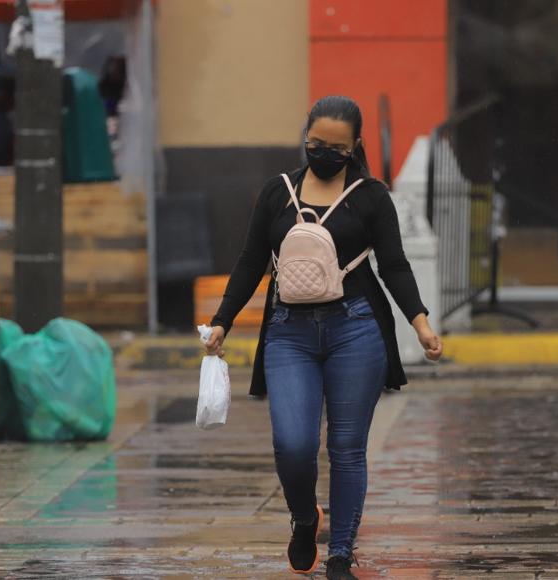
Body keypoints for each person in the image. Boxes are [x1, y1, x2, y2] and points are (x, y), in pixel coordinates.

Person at [205, 95, 442, 579]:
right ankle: (304, 517)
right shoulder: (277, 192)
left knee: (347, 446)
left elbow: (393, 264)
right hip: (288, 334)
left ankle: (340, 553)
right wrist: (222, 321)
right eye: (316, 143)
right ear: (304, 137)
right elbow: (251, 261)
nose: (325, 152)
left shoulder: (371, 195)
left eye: (337, 146)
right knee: (293, 443)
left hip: (356, 328)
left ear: (355, 146)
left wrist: (419, 321)